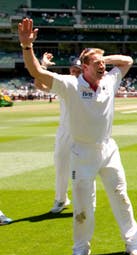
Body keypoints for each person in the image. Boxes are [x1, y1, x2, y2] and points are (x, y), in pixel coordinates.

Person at [18, 18, 137, 255]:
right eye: (96, 64)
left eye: (103, 64)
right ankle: (80, 248)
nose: (102, 67)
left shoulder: (109, 80)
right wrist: (27, 47)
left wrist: (101, 58)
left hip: (108, 149)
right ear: (83, 67)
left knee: (121, 196)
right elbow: (37, 72)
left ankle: (132, 243)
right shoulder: (70, 85)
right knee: (83, 206)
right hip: (82, 152)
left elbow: (127, 61)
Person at [37, 52, 81, 214]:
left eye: (79, 69)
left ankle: (84, 201)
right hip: (65, 132)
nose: (76, 71)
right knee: (61, 165)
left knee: (85, 168)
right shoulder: (65, 83)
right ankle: (61, 199)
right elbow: (39, 84)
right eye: (74, 69)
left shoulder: (92, 83)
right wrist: (44, 66)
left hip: (85, 133)